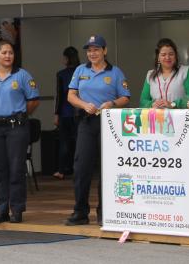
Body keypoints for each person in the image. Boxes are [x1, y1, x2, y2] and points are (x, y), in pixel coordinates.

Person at [65, 34, 131, 226]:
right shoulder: (80, 70)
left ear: (105, 51)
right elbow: (71, 95)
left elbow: (125, 97)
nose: (92, 53)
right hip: (86, 121)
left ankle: (105, 212)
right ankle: (80, 212)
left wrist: (112, 102)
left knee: (107, 168)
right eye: (89, 50)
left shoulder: (115, 72)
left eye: (96, 49)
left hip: (108, 123)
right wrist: (84, 105)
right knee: (81, 167)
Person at [0, 40, 40, 223]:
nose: (8, 56)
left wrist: (19, 114)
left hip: (16, 128)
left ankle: (17, 209)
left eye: (10, 53)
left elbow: (33, 100)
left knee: (16, 169)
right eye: (4, 53)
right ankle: (1, 209)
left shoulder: (22, 75)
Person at [140, 38, 189, 109]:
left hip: (180, 117)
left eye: (171, 54)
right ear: (158, 57)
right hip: (156, 117)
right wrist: (152, 104)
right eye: (163, 55)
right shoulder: (150, 74)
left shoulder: (186, 72)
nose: (167, 57)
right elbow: (143, 101)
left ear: (175, 56)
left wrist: (173, 104)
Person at [53, 46, 80, 179]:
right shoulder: (83, 72)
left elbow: (59, 96)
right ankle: (79, 170)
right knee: (79, 143)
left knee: (64, 143)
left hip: (65, 113)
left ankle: (62, 171)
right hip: (80, 113)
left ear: (67, 59)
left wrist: (56, 115)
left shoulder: (61, 74)